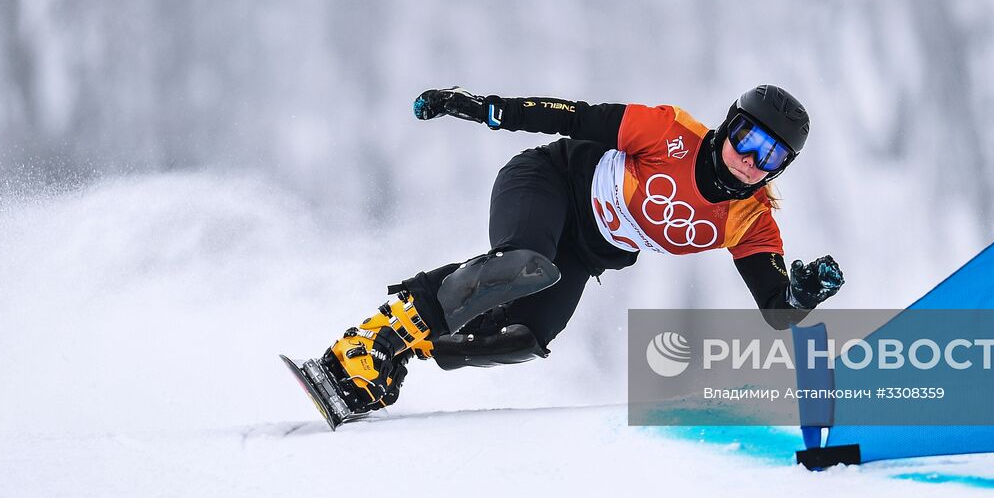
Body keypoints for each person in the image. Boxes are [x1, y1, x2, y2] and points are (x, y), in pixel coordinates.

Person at [300, 84, 845, 424]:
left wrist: (800, 296)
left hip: (583, 254)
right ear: (729, 124)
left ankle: (391, 364)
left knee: (517, 341)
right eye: (747, 139)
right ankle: (361, 347)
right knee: (524, 267)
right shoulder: (669, 132)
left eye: (771, 156)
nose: (751, 160)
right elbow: (574, 117)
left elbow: (778, 313)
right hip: (548, 180)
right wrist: (486, 108)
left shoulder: (752, 220)